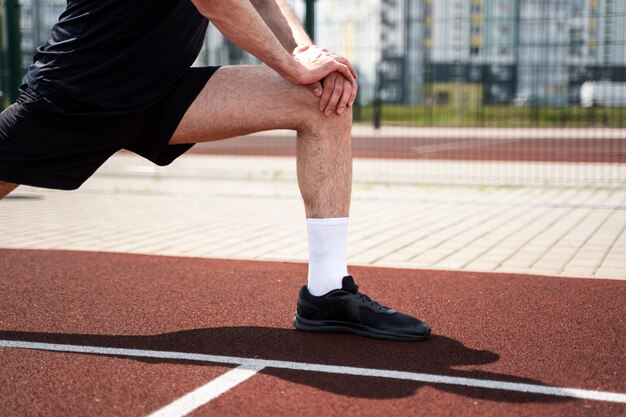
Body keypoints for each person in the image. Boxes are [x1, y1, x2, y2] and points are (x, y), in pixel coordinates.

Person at [0, 0, 430, 341]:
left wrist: (306, 53)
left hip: (158, 93)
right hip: (78, 95)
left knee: (321, 104)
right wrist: (295, 68)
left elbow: (260, 0)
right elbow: (217, 2)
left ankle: (328, 292)